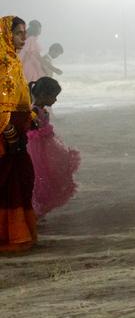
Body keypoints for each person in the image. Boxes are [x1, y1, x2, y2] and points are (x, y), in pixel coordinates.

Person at [0, 16, 37, 252]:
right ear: (6, 34)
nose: (24, 38)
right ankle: (10, 236)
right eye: (18, 33)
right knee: (6, 184)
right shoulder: (2, 62)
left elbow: (20, 99)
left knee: (23, 180)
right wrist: (7, 128)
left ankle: (19, 231)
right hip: (5, 131)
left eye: (24, 33)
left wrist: (31, 118)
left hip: (17, 130)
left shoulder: (13, 60)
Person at [26, 76, 79, 217]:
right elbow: (30, 131)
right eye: (54, 97)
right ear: (43, 95)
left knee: (44, 177)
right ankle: (35, 209)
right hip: (37, 149)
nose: (55, 100)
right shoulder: (34, 112)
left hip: (45, 147)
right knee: (39, 177)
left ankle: (37, 209)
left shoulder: (41, 111)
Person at [19, 19, 44, 84]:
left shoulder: (24, 38)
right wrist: (52, 68)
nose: (40, 31)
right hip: (28, 65)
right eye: (40, 29)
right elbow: (37, 56)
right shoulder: (31, 39)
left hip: (23, 64)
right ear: (36, 29)